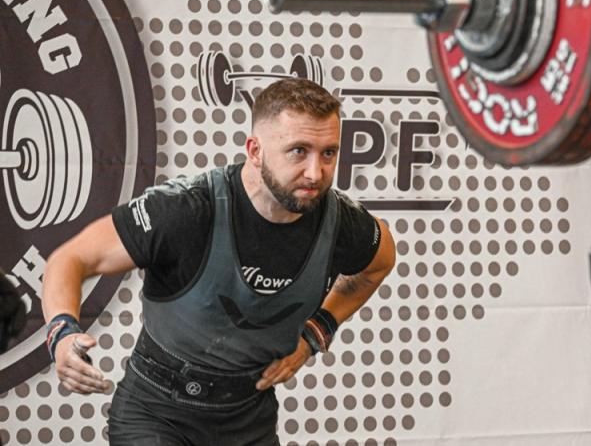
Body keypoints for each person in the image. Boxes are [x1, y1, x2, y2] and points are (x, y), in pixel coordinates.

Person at [41, 77, 396, 445]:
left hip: (248, 418)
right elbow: (71, 258)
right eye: (298, 151)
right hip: (157, 413)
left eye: (328, 153)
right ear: (255, 150)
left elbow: (380, 262)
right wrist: (61, 334)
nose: (315, 173)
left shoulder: (341, 223)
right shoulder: (186, 209)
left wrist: (316, 332)